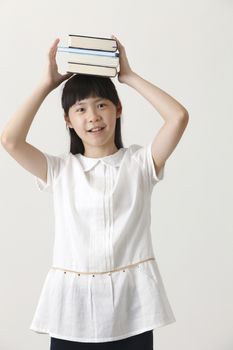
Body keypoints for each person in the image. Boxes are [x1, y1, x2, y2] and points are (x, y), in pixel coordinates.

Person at [1, 34, 189, 349]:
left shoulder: (140, 164)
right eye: (81, 109)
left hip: (133, 310)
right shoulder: (60, 171)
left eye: (101, 105)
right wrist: (47, 85)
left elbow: (178, 117)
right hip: (70, 313)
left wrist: (128, 76)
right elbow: (10, 140)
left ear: (117, 109)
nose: (93, 117)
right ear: (68, 120)